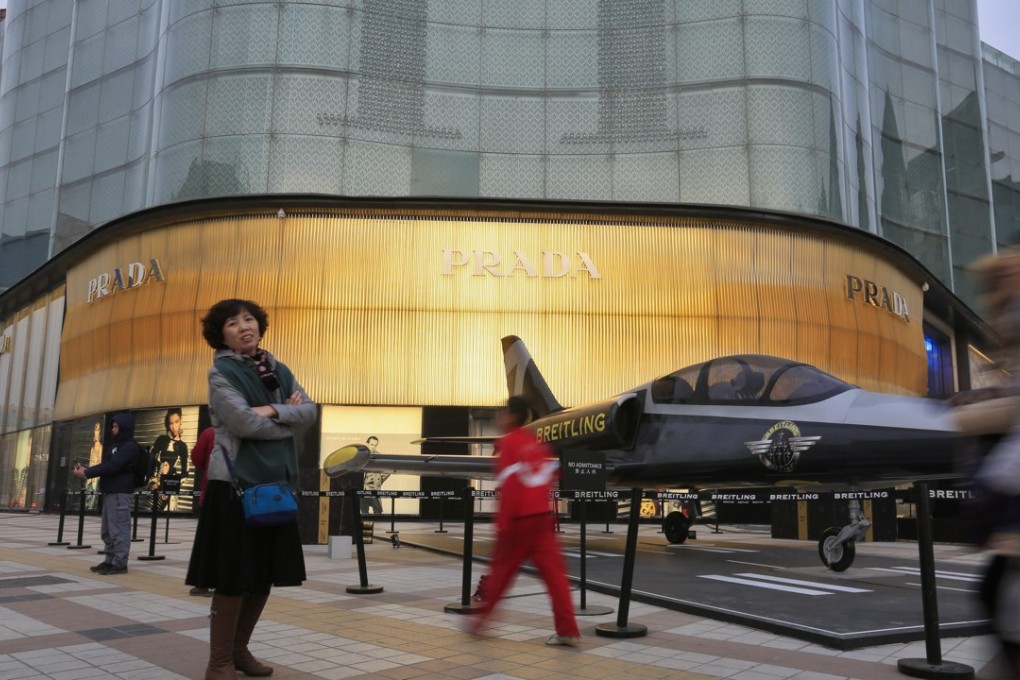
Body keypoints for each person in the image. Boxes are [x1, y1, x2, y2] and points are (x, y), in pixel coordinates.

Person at [185, 299, 316, 680]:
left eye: (249, 319)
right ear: (220, 334)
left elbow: (309, 411)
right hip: (235, 487)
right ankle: (219, 661)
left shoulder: (280, 370)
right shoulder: (221, 373)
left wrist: (274, 411)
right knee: (233, 576)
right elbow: (243, 424)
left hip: (276, 484)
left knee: (263, 575)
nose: (244, 326)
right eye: (232, 322)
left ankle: (240, 652)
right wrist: (288, 419)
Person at [469, 396, 581, 646]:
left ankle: (478, 623)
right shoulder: (536, 442)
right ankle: (567, 630)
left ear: (510, 416)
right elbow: (551, 474)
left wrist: (502, 526)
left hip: (519, 521)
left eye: (502, 413)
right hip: (543, 520)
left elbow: (510, 486)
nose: (499, 418)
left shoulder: (508, 443)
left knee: (501, 575)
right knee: (556, 578)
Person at [72, 413, 140, 575]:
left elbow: (113, 466)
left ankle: (120, 563)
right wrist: (88, 470)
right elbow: (107, 465)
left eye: (116, 427)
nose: (113, 430)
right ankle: (110, 560)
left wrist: (88, 473)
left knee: (119, 529)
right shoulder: (115, 446)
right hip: (110, 491)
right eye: (113, 426)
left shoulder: (130, 447)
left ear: (124, 427)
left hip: (120, 492)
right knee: (108, 530)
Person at [188, 426, 215, 597]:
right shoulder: (249, 427)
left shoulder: (211, 432)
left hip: (212, 489)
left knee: (208, 539)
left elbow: (197, 457)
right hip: (243, 494)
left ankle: (203, 583)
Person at [149, 408, 189, 512]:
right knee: (154, 516)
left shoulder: (183, 446)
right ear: (168, 424)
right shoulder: (161, 440)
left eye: (176, 422)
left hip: (172, 487)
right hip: (156, 486)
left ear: (181, 421)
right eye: (171, 423)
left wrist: (172, 483)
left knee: (169, 517)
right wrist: (153, 481)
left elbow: (185, 473)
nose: (174, 427)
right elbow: (150, 460)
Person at [361, 436, 389, 514]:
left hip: (374, 488)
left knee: (377, 510)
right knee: (363, 510)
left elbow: (388, 470)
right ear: (367, 443)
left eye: (375, 445)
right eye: (371, 444)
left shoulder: (379, 456)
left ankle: (376, 525)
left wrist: (380, 479)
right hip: (363, 488)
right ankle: (364, 526)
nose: (373, 447)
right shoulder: (361, 455)